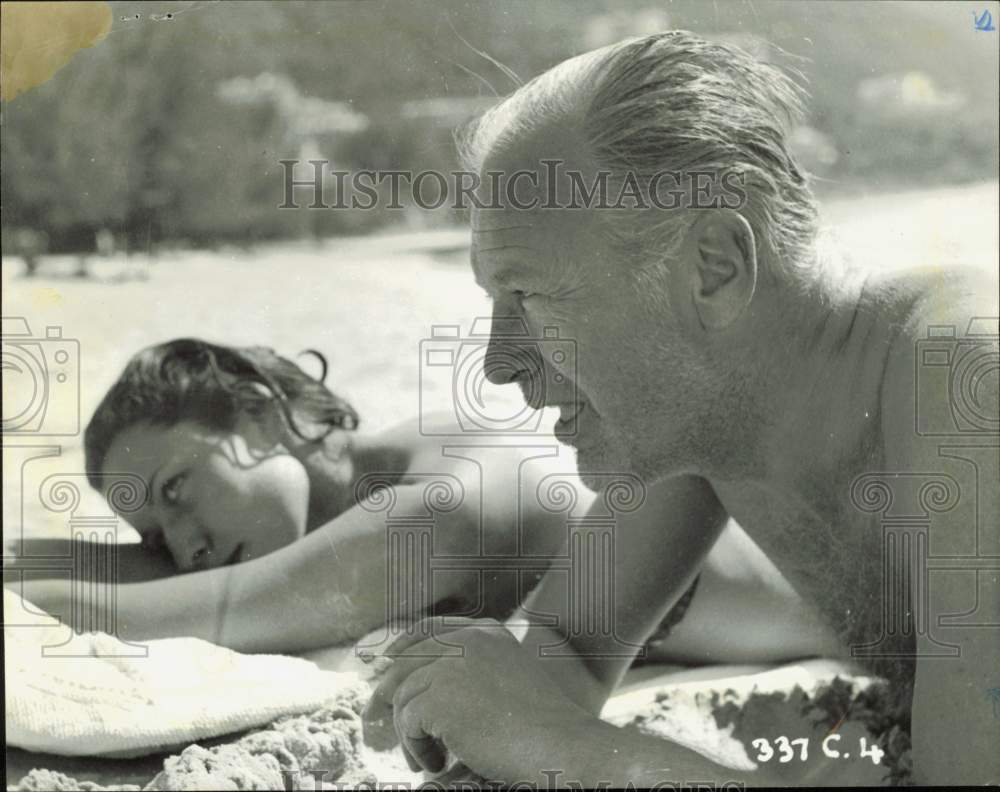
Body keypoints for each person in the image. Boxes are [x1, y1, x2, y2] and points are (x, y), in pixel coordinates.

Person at [361, 31, 999, 785]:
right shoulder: (714, 408)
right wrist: (489, 687)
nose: (498, 363)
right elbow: (565, 647)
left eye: (529, 296)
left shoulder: (965, 389)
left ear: (715, 269)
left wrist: (563, 745)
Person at [10, 337, 833, 666]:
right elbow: (152, 575)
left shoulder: (440, 503)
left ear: (259, 412)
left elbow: (223, 606)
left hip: (883, 623)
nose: (180, 543)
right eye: (157, 531)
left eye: (178, 491)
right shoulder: (379, 469)